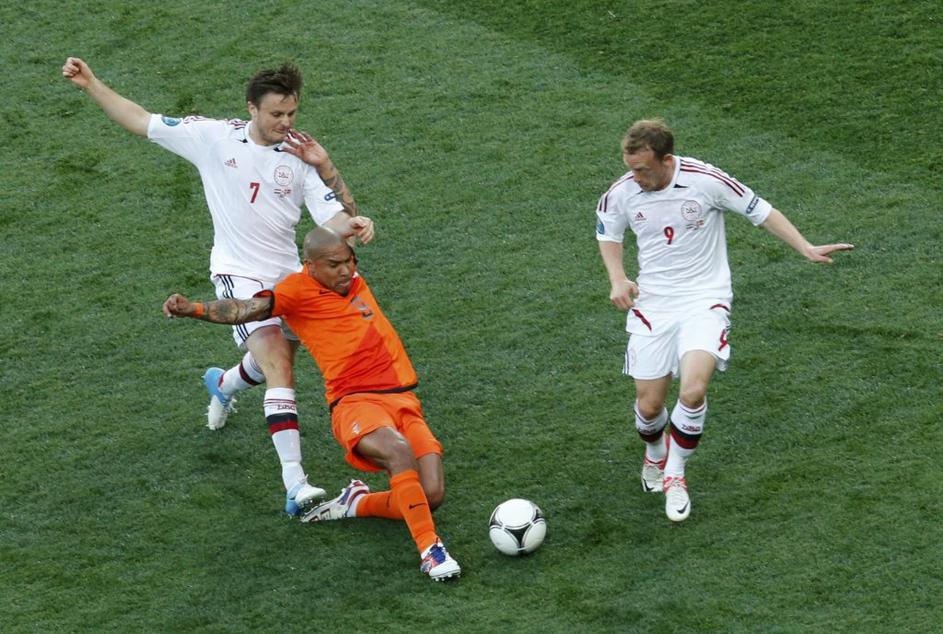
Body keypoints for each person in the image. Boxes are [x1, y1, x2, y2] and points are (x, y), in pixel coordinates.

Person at [62, 57, 375, 517]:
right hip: (236, 272)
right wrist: (91, 83)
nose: (286, 123)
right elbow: (141, 120)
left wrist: (354, 217)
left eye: (291, 113)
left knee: (274, 362)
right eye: (276, 114)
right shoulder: (212, 137)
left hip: (289, 278)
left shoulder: (300, 156)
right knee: (278, 366)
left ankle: (223, 384)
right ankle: (295, 483)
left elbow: (335, 222)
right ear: (251, 108)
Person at [162, 227, 461, 581]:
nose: (346, 271)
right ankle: (431, 551)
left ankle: (356, 503)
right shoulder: (297, 291)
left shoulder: (349, 280)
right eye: (334, 265)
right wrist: (193, 309)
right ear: (311, 265)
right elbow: (244, 309)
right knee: (398, 452)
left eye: (349, 262)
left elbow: (341, 230)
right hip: (355, 403)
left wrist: (352, 216)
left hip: (403, 399)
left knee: (431, 495)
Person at [596, 119, 853, 522]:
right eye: (631, 168)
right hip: (653, 304)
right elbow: (608, 234)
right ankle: (655, 453)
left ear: (666, 159)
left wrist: (804, 246)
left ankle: (675, 474)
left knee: (693, 390)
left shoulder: (705, 180)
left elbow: (760, 210)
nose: (636, 177)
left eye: (643, 169)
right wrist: (618, 277)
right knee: (649, 406)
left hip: (705, 299)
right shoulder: (622, 192)